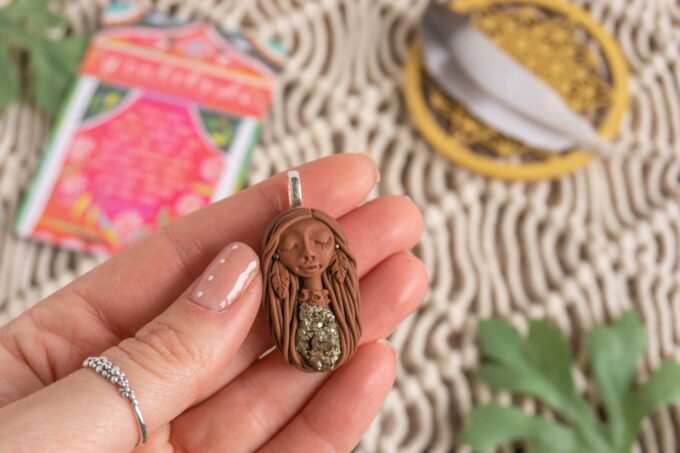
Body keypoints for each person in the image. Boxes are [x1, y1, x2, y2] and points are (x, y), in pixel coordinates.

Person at [0, 154, 427, 452]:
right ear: (278, 256)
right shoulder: (283, 299)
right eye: (295, 247)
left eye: (319, 243)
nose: (309, 255)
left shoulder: (337, 300)